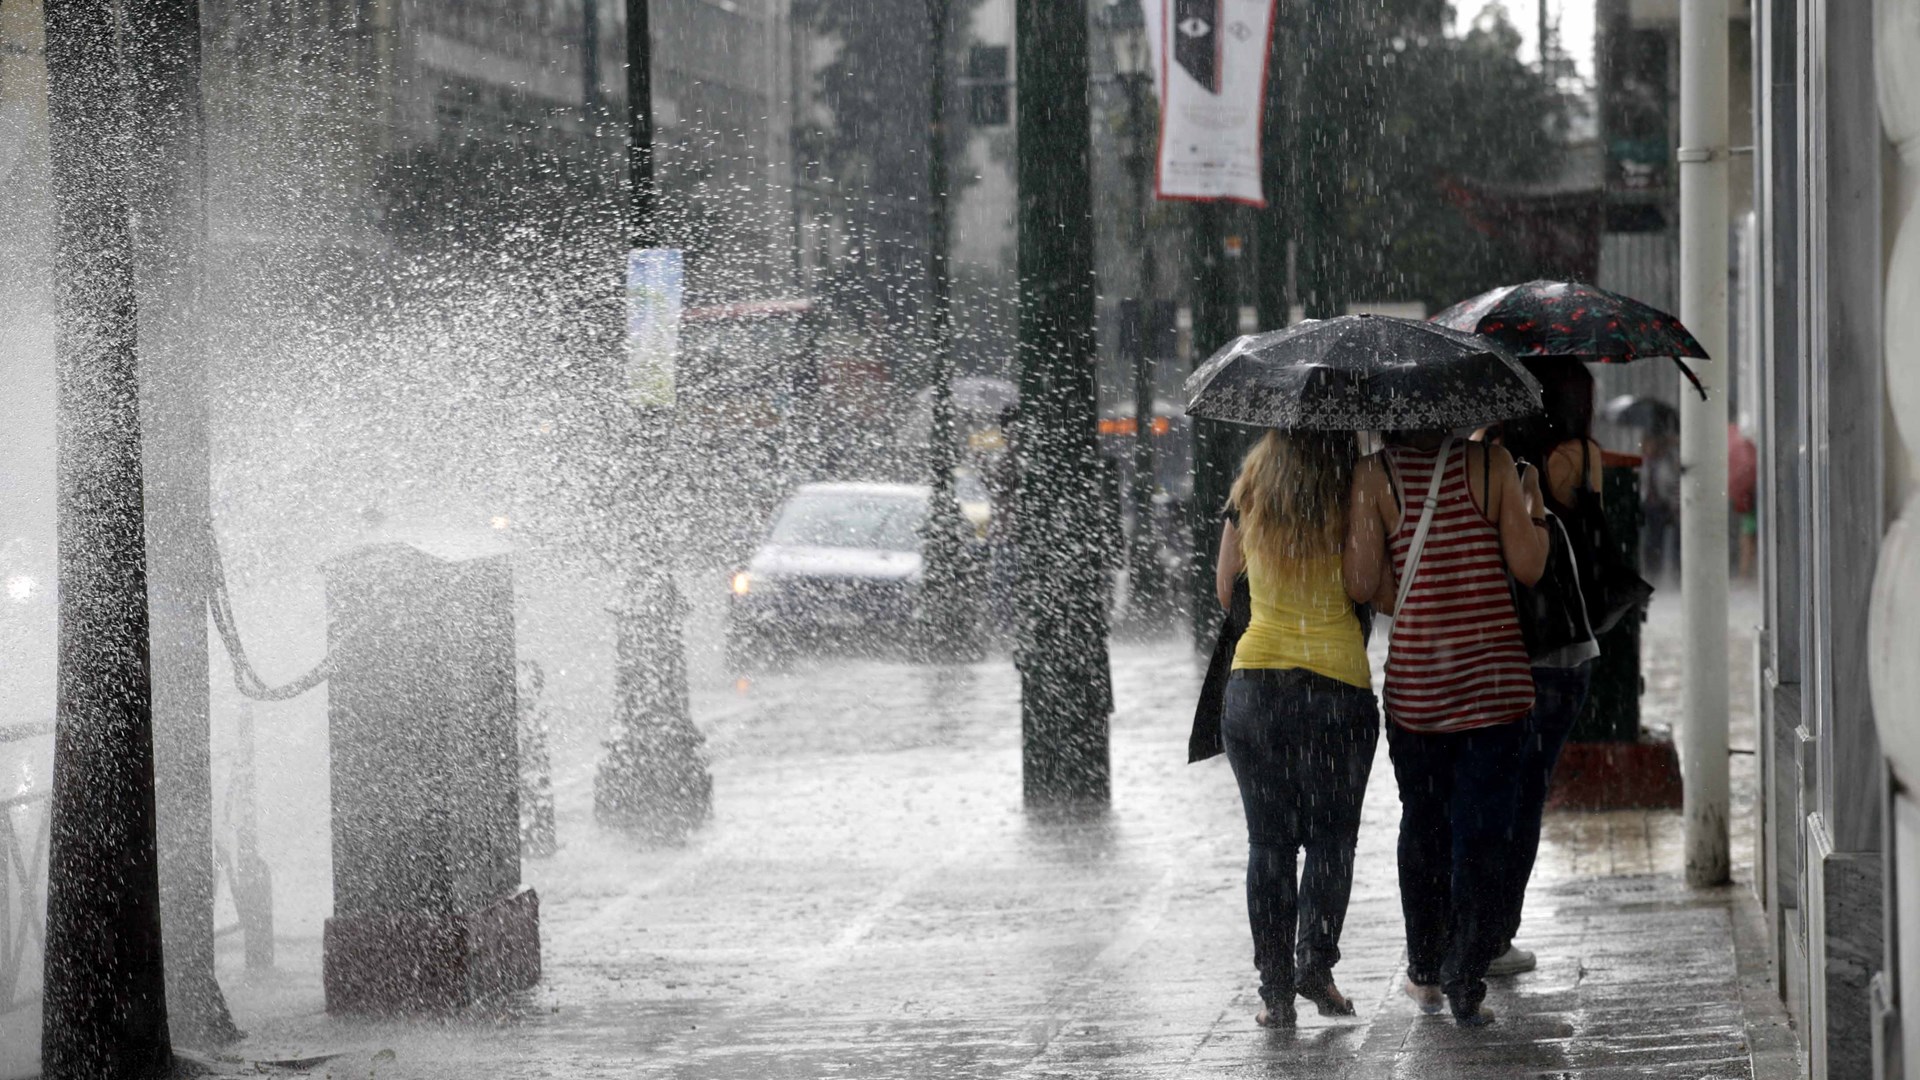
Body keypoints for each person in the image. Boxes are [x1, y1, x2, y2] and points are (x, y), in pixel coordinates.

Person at [1344, 429, 1549, 1027]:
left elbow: (1361, 584)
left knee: (1425, 824)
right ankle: (1467, 970)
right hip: (1494, 683)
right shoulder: (1492, 464)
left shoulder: (1372, 475)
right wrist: (1531, 502)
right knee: (1483, 832)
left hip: (1419, 691)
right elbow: (1529, 566)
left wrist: (1414, 594)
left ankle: (1427, 967)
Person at [1212, 430, 1378, 1029]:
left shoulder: (1252, 485)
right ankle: (1316, 962)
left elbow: (1225, 586)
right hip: (1335, 687)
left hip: (1255, 688)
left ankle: (1275, 992)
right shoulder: (1353, 485)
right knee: (1332, 841)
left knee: (1269, 843)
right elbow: (1363, 585)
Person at [1486, 361, 1606, 977]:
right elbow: (1594, 542)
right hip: (1563, 646)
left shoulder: (1492, 459)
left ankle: (1477, 925)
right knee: (1528, 797)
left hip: (1501, 644)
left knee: (1491, 791)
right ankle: (1498, 929)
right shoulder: (1579, 457)